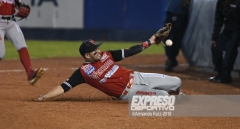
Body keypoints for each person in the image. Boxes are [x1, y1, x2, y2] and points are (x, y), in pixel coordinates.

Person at [34, 36, 182, 102]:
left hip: (137, 76)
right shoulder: (83, 72)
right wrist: (46, 96)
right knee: (163, 95)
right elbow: (64, 86)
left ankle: (181, 96)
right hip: (130, 92)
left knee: (176, 81)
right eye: (94, 50)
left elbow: (130, 51)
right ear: (87, 55)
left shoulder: (107, 54)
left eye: (97, 47)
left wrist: (149, 41)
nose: (98, 51)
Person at [0, 0, 43, 85]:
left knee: (22, 45)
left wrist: (22, 7)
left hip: (11, 21)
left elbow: (17, 1)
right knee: (0, 54)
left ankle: (30, 73)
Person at [164, 0, 196, 72]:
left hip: (182, 13)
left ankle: (171, 58)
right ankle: (170, 57)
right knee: (165, 35)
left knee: (177, 37)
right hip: (170, 11)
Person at [209, 0, 240, 83]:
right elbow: (218, 21)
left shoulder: (238, 1)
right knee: (215, 47)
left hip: (237, 31)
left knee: (230, 50)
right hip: (227, 31)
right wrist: (214, 38)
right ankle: (220, 73)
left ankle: (227, 75)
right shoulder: (220, 1)